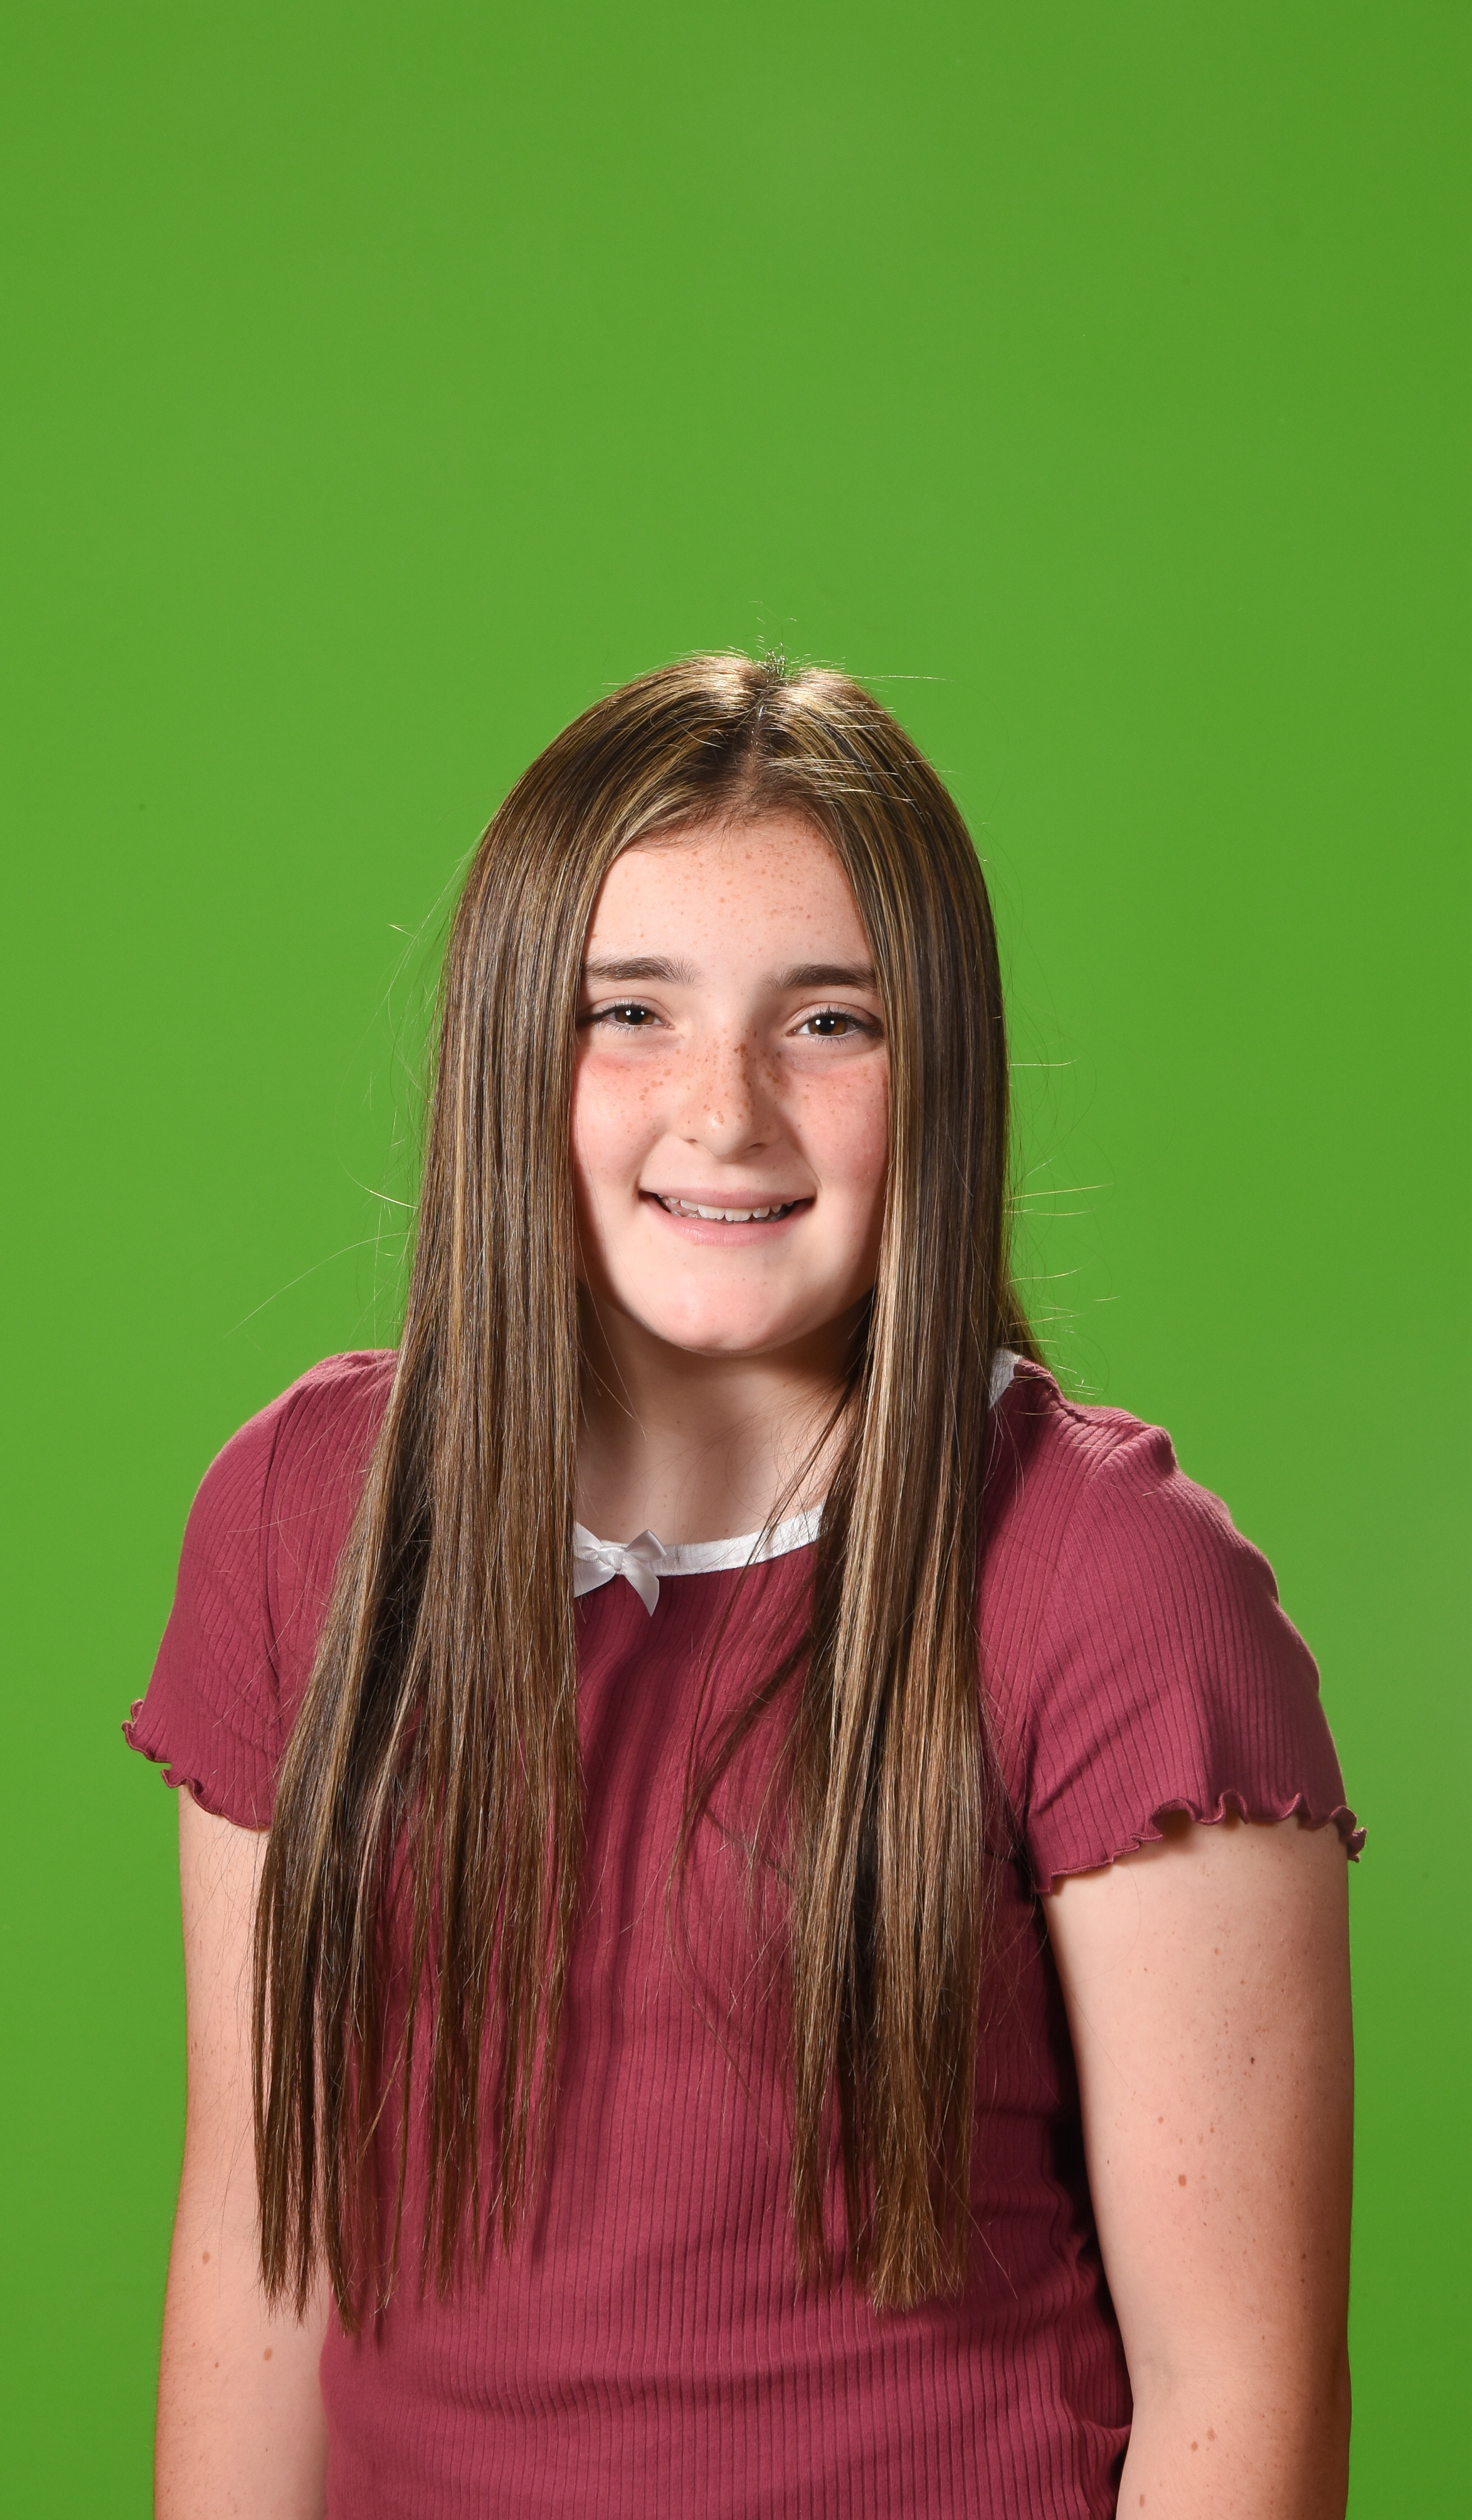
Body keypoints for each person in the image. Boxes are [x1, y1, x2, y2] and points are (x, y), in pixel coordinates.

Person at [126, 655, 1358, 2519]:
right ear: (504, 1053)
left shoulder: (1118, 1587)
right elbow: (258, 2249)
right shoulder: (306, 1522)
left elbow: (1237, 2394)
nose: (726, 1114)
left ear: (941, 1075)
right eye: (628, 1011)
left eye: (829, 1022)